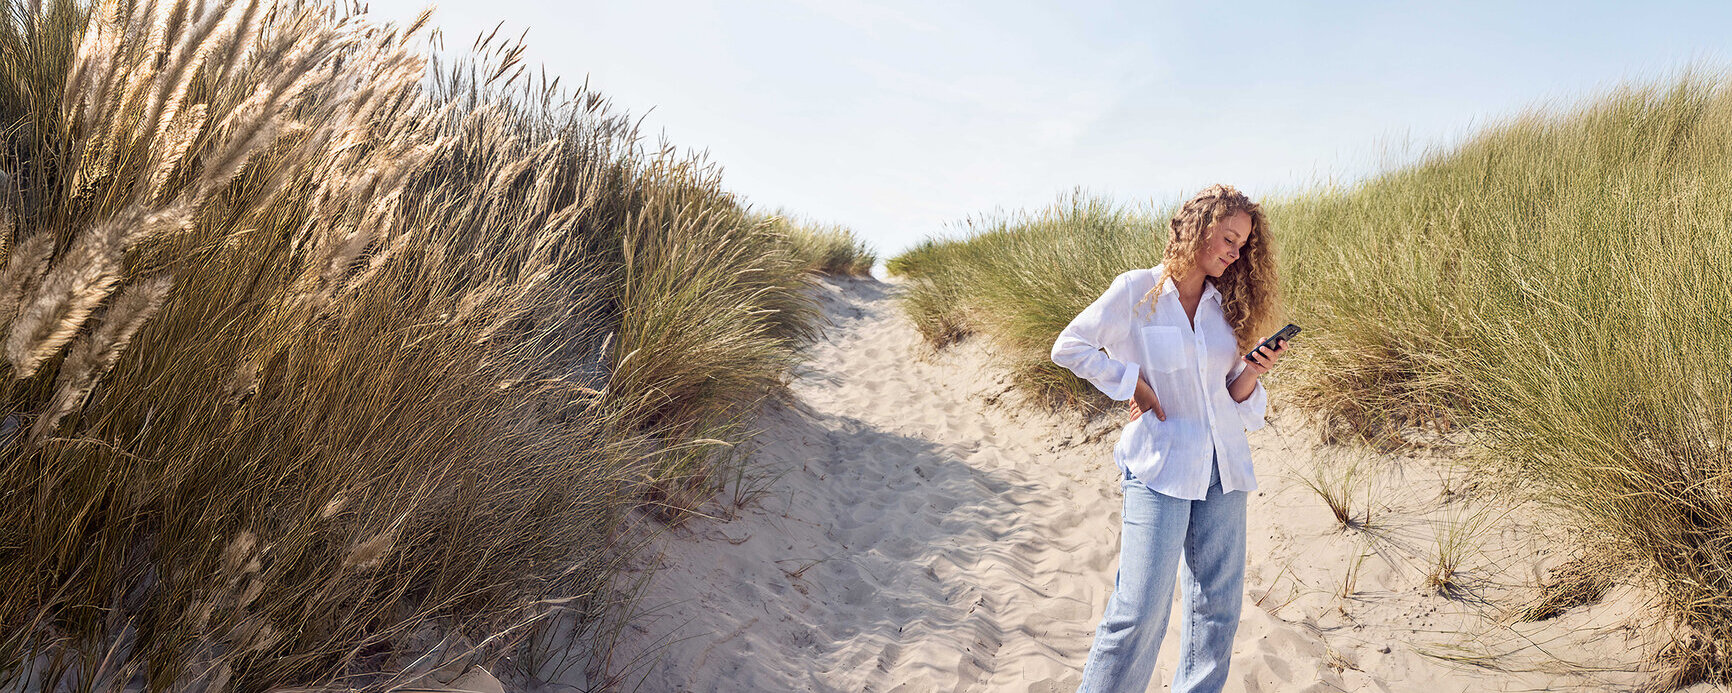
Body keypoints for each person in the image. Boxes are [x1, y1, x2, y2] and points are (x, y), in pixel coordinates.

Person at [1050, 183, 1286, 693]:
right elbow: (1069, 346)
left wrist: (1253, 371)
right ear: (1199, 229)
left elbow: (1231, 394)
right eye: (1228, 237)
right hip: (1160, 465)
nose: (1234, 251)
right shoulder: (1138, 291)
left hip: (1224, 467)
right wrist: (1130, 379)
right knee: (1139, 612)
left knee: (1217, 612)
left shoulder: (1226, 307)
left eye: (1243, 244)